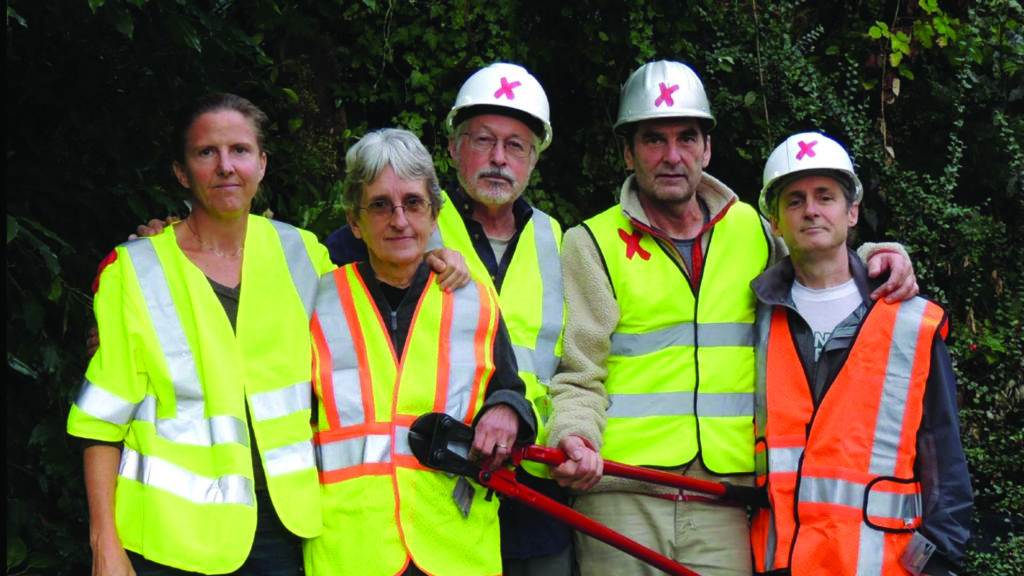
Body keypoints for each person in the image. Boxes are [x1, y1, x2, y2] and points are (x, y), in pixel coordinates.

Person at [546, 60, 919, 575]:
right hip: (620, 492)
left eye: (686, 138)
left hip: (724, 498)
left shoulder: (751, 228)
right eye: (654, 140)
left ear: (707, 148)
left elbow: (820, 265)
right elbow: (578, 371)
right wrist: (573, 435)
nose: (672, 156)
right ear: (628, 152)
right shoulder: (590, 243)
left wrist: (880, 256)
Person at [67, 93, 331, 575]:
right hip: (168, 538)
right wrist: (105, 544)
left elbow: (377, 311)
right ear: (182, 172)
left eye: (240, 150)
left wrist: (443, 259)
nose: (226, 166)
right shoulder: (134, 270)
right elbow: (100, 422)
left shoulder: (305, 255)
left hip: (284, 529)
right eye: (207, 152)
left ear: (263, 164)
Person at [324, 62, 571, 576]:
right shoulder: (402, 214)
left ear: (535, 159)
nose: (499, 159)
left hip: (534, 478)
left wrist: (518, 411)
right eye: (483, 141)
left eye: (516, 145)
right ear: (454, 147)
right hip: (433, 491)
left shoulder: (559, 239)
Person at [750, 132, 972, 575]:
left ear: (852, 212)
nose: (810, 210)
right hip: (782, 563)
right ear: (774, 221)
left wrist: (939, 555)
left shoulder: (910, 321)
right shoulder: (755, 316)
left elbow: (943, 452)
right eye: (794, 200)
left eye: (824, 196)